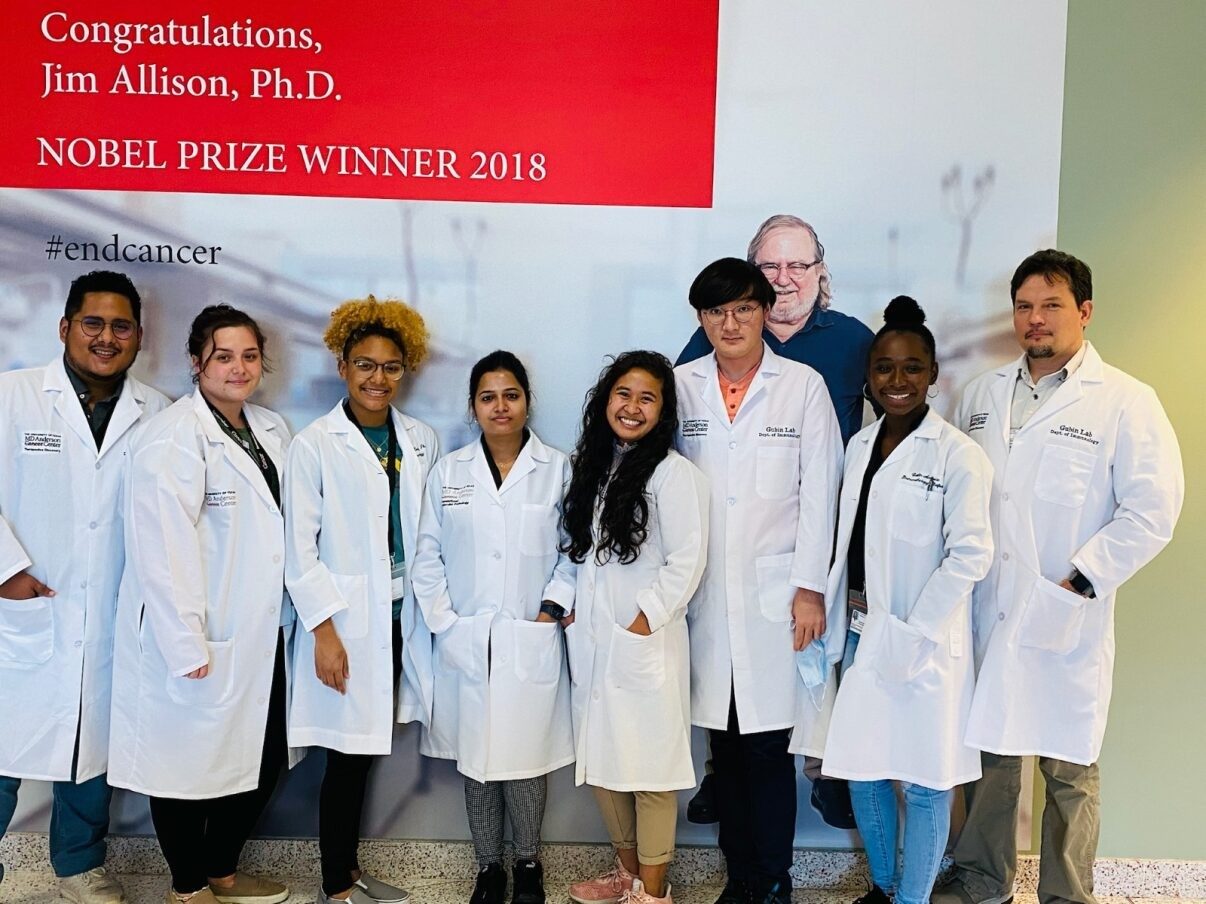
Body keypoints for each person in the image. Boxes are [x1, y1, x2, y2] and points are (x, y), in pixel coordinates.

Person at [934, 251, 1184, 904]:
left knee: (1070, 768)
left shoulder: (1125, 401)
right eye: (1024, 306)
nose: (1035, 319)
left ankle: (1068, 895)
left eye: (1051, 305)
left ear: (1085, 312)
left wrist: (1083, 580)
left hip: (1066, 612)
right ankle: (983, 883)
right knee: (992, 763)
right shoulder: (983, 395)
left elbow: (1154, 508)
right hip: (991, 607)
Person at [677, 216, 872, 828]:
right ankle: (741, 881)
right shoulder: (682, 382)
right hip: (706, 584)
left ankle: (774, 884)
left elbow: (820, 491)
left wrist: (811, 585)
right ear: (703, 319)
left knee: (769, 746)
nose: (729, 323)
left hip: (782, 584)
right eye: (716, 312)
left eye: (742, 309)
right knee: (727, 744)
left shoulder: (810, 380)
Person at [109, 305, 292, 904]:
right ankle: (188, 888)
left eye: (248, 355)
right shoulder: (171, 437)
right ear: (196, 363)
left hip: (257, 631)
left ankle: (222, 869)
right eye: (223, 356)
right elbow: (161, 551)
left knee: (262, 761)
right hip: (192, 631)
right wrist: (185, 640)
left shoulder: (270, 430)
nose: (238, 368)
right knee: (182, 766)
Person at [814, 296, 994, 904]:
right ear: (868, 376)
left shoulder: (957, 455)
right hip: (862, 630)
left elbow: (970, 554)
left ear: (932, 375)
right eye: (884, 368)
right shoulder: (859, 447)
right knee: (863, 771)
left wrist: (916, 630)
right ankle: (886, 887)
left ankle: (911, 898)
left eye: (912, 367)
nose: (897, 380)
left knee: (925, 781)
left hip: (924, 639)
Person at [0, 270, 169, 903]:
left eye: (120, 326)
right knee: (3, 747)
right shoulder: (13, 397)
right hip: (27, 602)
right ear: (65, 327)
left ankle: (78, 866)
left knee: (92, 750)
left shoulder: (159, 414)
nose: (105, 337)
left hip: (112, 617)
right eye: (92, 323)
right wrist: (5, 570)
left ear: (139, 336)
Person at [284, 297, 438, 904]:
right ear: (343, 366)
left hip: (404, 617)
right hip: (346, 622)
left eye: (392, 366)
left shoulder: (419, 439)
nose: (379, 379)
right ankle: (335, 886)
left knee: (370, 750)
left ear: (407, 369)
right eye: (365, 365)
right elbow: (300, 548)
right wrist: (324, 633)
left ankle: (348, 872)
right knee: (346, 758)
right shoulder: (316, 443)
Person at [411, 350, 575, 904]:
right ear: (473, 406)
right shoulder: (450, 472)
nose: (500, 407)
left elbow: (577, 551)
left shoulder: (558, 469)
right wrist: (445, 622)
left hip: (530, 636)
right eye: (488, 397)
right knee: (477, 761)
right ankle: (488, 869)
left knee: (527, 760)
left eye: (511, 395)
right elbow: (425, 555)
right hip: (466, 638)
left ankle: (527, 865)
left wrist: (551, 608)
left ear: (527, 401)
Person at [562, 351, 708, 904]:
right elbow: (581, 553)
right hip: (597, 640)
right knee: (601, 760)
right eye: (623, 394)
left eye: (647, 398)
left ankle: (652, 892)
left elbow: (687, 561)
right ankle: (626, 874)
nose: (632, 407)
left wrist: (642, 623)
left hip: (644, 640)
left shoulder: (675, 475)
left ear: (663, 410)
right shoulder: (594, 468)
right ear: (606, 401)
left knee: (650, 770)